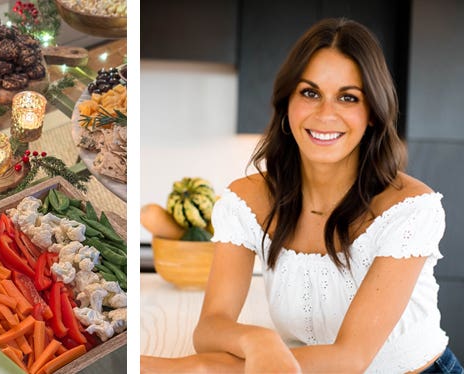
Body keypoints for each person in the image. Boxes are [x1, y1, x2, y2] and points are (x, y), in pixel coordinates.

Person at [141, 18, 463, 373]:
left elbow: (350, 359)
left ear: (372, 112)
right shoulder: (247, 201)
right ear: (287, 102)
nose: (326, 114)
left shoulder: (409, 209)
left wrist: (194, 369)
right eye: (310, 93)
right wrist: (258, 340)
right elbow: (211, 327)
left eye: (348, 97)